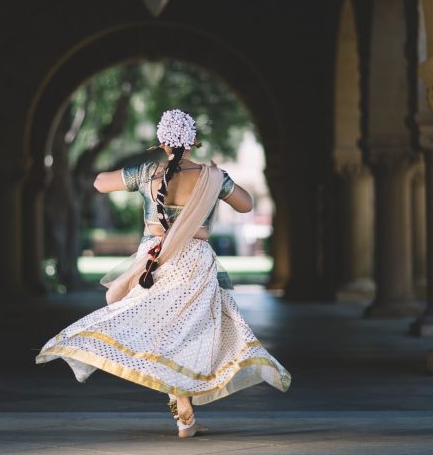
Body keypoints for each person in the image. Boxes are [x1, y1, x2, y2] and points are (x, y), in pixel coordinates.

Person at [35, 109, 291, 438]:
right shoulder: (211, 177)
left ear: (160, 142)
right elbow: (246, 205)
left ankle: (183, 414)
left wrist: (134, 172)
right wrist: (220, 180)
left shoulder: (148, 173)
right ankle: (185, 415)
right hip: (195, 264)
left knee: (158, 332)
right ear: (194, 142)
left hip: (152, 263)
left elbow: (99, 183)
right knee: (189, 334)